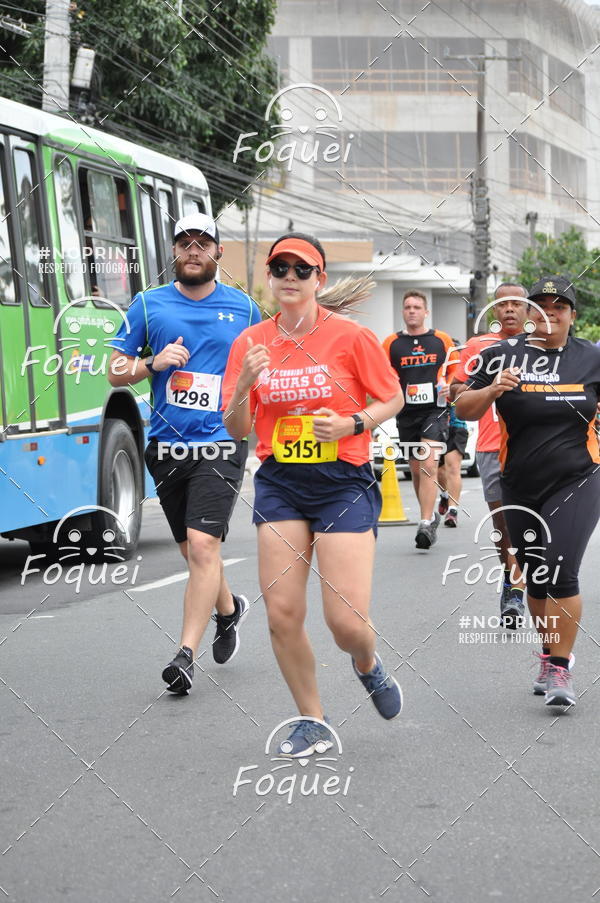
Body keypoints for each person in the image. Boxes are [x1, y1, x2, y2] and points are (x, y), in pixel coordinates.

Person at [222, 232, 405, 756]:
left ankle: (367, 663)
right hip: (280, 481)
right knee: (282, 613)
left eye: (302, 270)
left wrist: (351, 422)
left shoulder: (350, 337)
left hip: (342, 482)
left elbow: (390, 397)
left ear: (319, 279)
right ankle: (312, 719)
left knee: (346, 623)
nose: (289, 278)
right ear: (270, 276)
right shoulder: (251, 343)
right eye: (280, 268)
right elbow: (235, 427)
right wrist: (242, 387)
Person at [108, 213, 261, 694]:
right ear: (174, 252)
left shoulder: (244, 309)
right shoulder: (149, 306)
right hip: (166, 446)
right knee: (192, 551)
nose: (193, 251)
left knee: (201, 547)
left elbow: (272, 362)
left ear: (218, 253)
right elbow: (114, 369)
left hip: (221, 442)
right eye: (184, 243)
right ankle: (229, 610)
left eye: (203, 243)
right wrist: (152, 362)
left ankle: (184, 656)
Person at [455, 275, 600, 707]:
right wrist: (493, 388)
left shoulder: (591, 358)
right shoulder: (501, 354)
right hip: (518, 479)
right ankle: (549, 652)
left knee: (562, 569)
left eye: (560, 307)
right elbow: (462, 405)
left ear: (573, 316)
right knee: (537, 579)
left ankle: (560, 665)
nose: (550, 313)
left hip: (578, 477)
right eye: (541, 306)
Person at [450, 284, 527, 627]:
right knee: (503, 524)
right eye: (503, 304)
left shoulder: (542, 345)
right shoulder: (477, 348)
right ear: (494, 310)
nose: (509, 309)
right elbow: (457, 391)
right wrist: (490, 385)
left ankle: (535, 581)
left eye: (517, 303)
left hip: (534, 447)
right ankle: (512, 584)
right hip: (492, 446)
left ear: (527, 310)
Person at [383, 291, 458, 549]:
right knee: (416, 471)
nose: (412, 311)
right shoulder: (392, 343)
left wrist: (450, 386)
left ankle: (424, 523)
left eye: (417, 307)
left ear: (426, 312)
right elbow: (383, 374)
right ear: (403, 312)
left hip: (435, 411)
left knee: (428, 464)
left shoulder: (441, 340)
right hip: (406, 413)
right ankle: (430, 515)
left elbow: (456, 370)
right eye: (407, 307)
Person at [437, 360, 469, 528]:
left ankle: (453, 511)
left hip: (457, 424)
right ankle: (444, 495)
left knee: (453, 467)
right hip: (435, 423)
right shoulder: (435, 372)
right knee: (438, 470)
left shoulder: (462, 373)